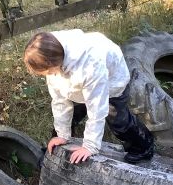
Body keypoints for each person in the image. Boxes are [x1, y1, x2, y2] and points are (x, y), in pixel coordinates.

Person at [23, 29, 154, 164]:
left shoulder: (90, 64)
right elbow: (59, 101)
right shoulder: (48, 49)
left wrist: (90, 146)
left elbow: (97, 107)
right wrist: (62, 135)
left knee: (118, 122)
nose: (46, 75)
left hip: (110, 81)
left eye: (47, 72)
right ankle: (63, 144)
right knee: (72, 115)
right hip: (77, 84)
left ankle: (143, 147)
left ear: (53, 63)